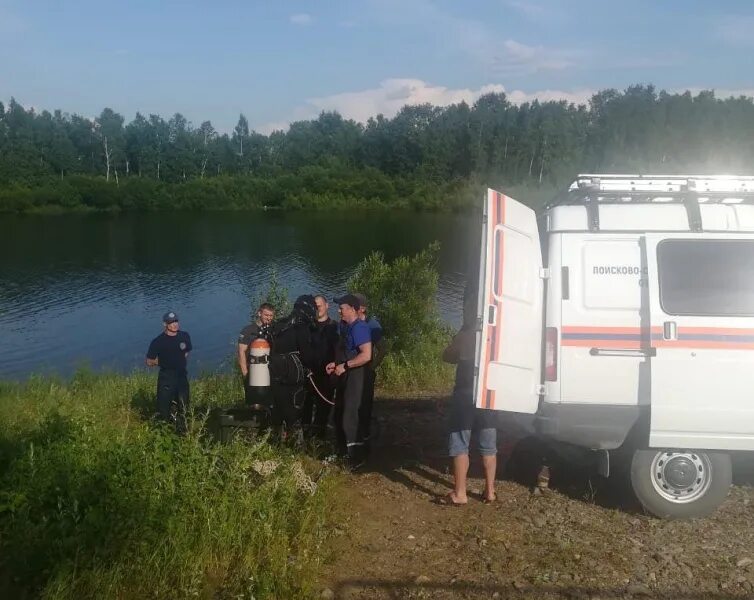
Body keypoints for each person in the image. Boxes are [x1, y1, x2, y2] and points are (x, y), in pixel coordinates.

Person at [439, 284, 498, 506]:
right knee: (489, 443)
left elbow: (448, 356)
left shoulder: (467, 332)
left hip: (466, 392)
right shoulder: (496, 331)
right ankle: (490, 491)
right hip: (489, 393)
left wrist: (454, 344)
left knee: (460, 442)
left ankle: (460, 493)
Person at [326, 294, 372, 468]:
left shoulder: (360, 327)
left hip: (355, 376)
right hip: (344, 375)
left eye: (342, 307)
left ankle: (356, 457)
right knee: (338, 414)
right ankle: (342, 452)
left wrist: (345, 365)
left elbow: (366, 355)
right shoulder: (346, 327)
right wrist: (335, 364)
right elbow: (346, 351)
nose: (339, 310)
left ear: (353, 309)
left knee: (350, 415)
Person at [267, 295, 317, 441]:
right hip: (293, 376)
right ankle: (295, 447)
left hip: (274, 374)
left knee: (277, 408)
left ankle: (275, 442)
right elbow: (307, 356)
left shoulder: (278, 324)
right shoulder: (301, 327)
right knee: (294, 410)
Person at [146, 311, 193, 434]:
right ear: (165, 324)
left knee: (184, 404)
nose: (174, 325)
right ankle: (163, 432)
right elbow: (149, 361)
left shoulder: (184, 336)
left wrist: (179, 359)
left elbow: (187, 351)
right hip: (167, 377)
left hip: (182, 375)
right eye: (171, 322)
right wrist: (163, 362)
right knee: (163, 407)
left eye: (176, 321)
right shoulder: (158, 341)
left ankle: (183, 432)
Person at [301, 294, 339, 441]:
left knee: (323, 408)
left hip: (326, 375)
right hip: (309, 374)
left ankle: (319, 438)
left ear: (327, 306)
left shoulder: (334, 327)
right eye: (315, 307)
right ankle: (304, 437)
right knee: (306, 406)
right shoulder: (308, 327)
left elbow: (339, 350)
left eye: (320, 306)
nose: (318, 309)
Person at [353, 292, 386, 454]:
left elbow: (383, 349)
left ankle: (364, 437)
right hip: (351, 371)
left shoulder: (372, 325)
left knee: (364, 406)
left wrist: (372, 367)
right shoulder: (349, 323)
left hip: (366, 372)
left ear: (362, 308)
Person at [237, 303, 275, 404]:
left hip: (270, 370)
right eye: (266, 315)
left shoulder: (274, 330)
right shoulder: (248, 330)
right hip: (253, 370)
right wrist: (245, 372)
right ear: (259, 313)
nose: (269, 318)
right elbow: (241, 351)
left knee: (270, 400)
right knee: (253, 400)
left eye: (271, 316)